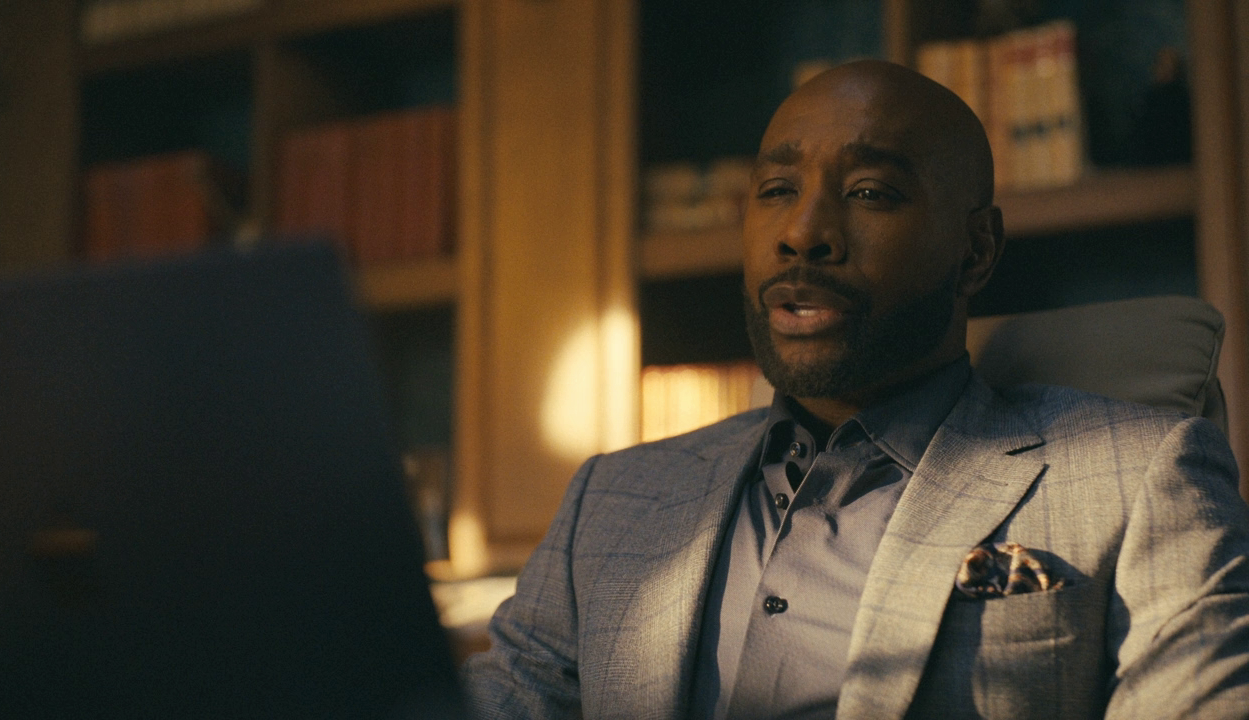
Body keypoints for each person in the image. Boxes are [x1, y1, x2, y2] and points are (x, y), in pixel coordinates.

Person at [462, 60, 1249, 719]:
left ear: (976, 251)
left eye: (871, 192)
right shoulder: (612, 501)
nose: (801, 233)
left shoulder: (1140, 476)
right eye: (776, 189)